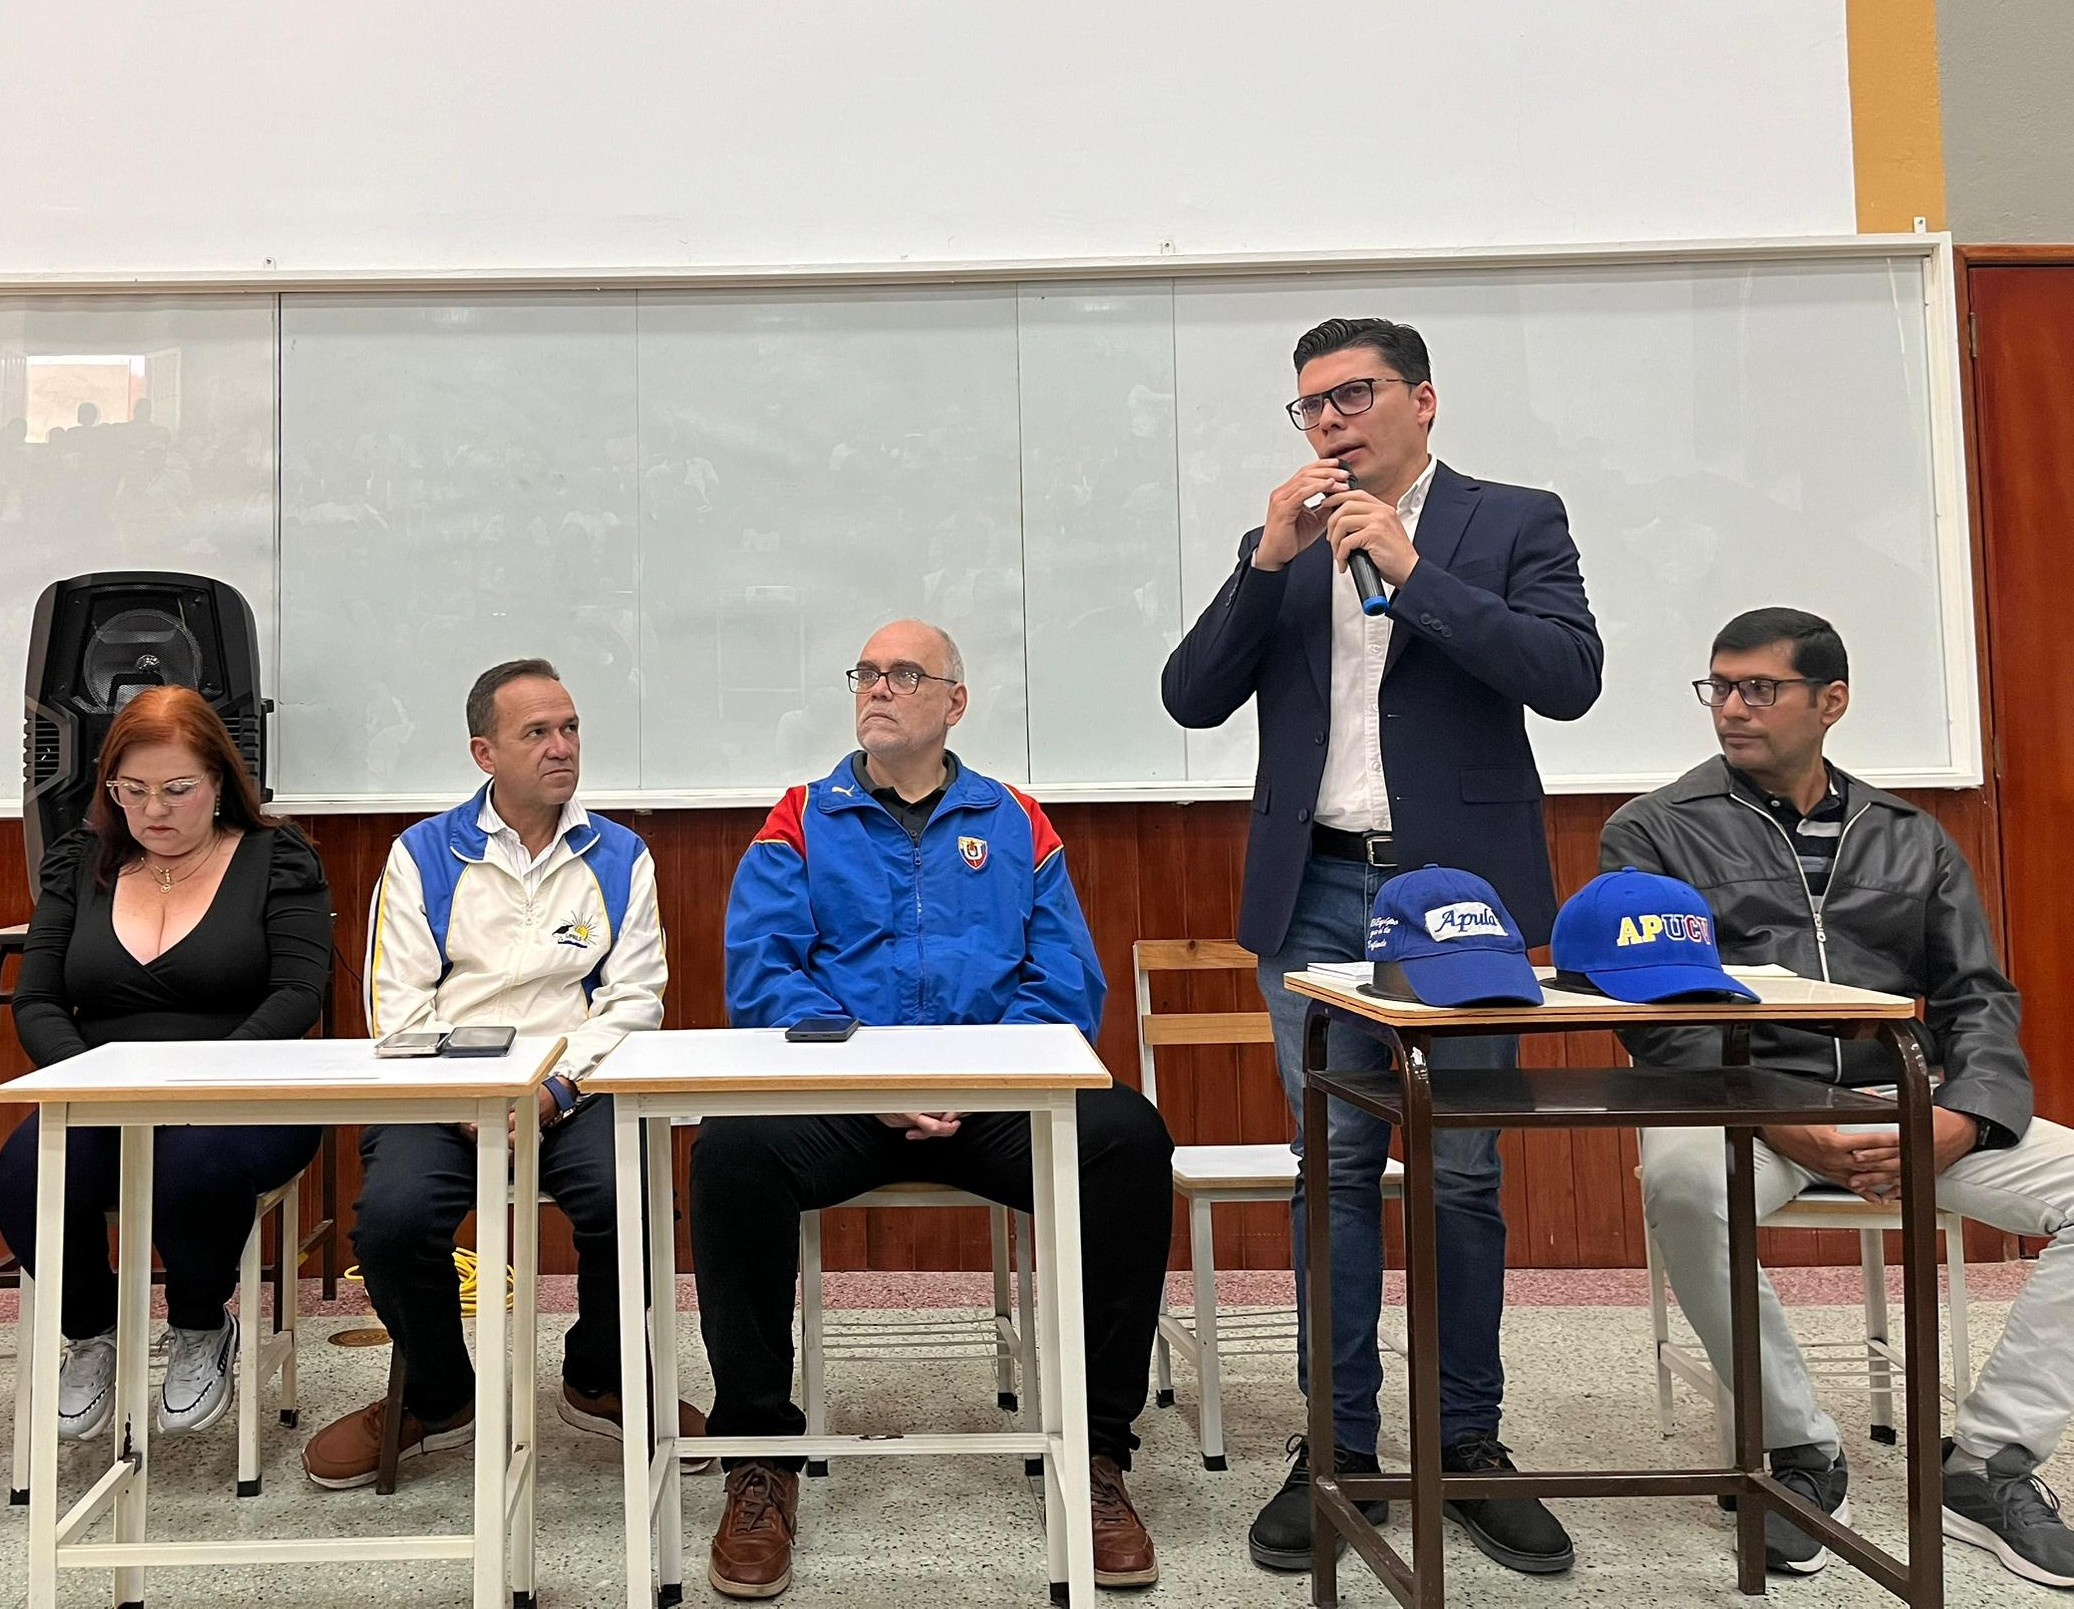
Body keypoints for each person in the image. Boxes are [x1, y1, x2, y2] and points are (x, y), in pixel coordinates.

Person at [1162, 316, 1601, 1575]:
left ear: (1421, 399)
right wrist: (1264, 558)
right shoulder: (1292, 542)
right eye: (1308, 406)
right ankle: (1337, 1446)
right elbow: (1191, 695)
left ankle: (1467, 1443)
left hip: (1459, 894)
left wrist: (1413, 571)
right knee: (1334, 1169)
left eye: (1351, 395)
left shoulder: (1511, 519)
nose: (1329, 422)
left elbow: (1566, 674)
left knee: (1460, 1175)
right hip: (1315, 897)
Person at [693, 618, 1175, 1600]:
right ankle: (758, 1457)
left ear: (953, 702)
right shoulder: (797, 817)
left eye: (903, 673)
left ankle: (1095, 1454)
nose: (877, 686)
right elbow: (763, 975)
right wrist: (871, 1075)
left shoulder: (1014, 821)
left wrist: (977, 1076)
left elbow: (1066, 979)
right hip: (843, 1100)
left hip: (991, 1098)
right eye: (865, 671)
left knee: (1127, 1138)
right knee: (730, 1150)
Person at [1603, 606, 2074, 1589]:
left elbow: (1979, 998)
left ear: (1830, 702)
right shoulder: (1650, 831)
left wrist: (1958, 1119)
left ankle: (1988, 1467)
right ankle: (1797, 1453)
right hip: (1743, 1109)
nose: (1730, 708)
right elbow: (1659, 1021)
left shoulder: (1911, 837)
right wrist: (1783, 1119)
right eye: (1717, 687)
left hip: (1905, 1100)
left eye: (1757, 689)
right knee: (1683, 1183)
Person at [301, 658, 694, 1487]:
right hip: (444, 1090)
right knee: (394, 1221)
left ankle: (599, 1376)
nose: (563, 747)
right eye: (537, 732)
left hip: (574, 1088)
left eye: (571, 728)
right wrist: (469, 1098)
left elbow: (633, 1003)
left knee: (635, 1199)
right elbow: (398, 1011)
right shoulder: (422, 854)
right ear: (485, 752)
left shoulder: (621, 857)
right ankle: (437, 1394)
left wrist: (550, 1091)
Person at [0, 686, 330, 1439]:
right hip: (107, 1087)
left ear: (220, 781)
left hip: (248, 1088)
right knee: (24, 1172)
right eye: (132, 791)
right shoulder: (79, 864)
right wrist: (92, 1080)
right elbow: (38, 999)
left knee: (192, 1162)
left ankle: (198, 1324)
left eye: (177, 789)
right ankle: (90, 1332)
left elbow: (296, 994)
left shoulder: (277, 857)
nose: (153, 809)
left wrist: (203, 1080)